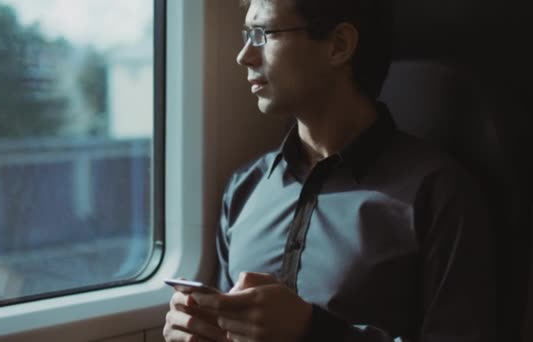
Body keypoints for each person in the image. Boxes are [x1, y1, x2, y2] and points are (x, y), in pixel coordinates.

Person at [163, 0, 495, 341]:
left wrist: (314, 332)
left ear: (338, 46)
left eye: (263, 33)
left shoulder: (439, 193)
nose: (244, 55)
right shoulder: (244, 188)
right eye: (247, 34)